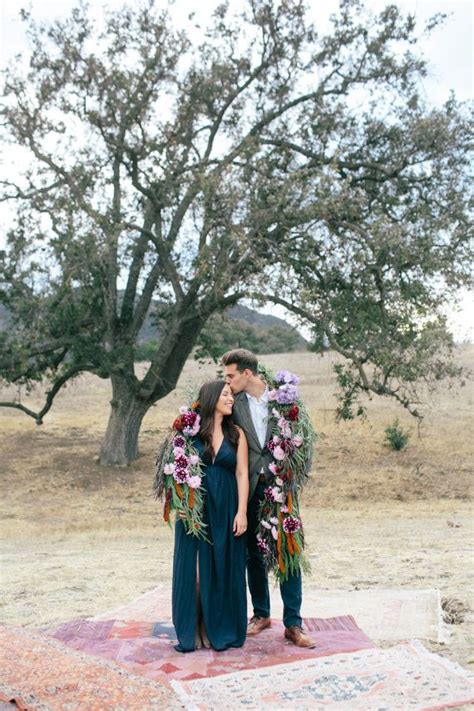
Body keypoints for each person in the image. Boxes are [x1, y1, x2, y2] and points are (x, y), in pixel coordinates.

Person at [222, 348, 315, 649]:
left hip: (281, 486)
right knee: (253, 553)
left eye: (231, 375)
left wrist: (291, 477)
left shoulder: (284, 399)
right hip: (248, 486)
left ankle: (294, 623)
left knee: (289, 552)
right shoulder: (232, 403)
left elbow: (304, 438)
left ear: (247, 374)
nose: (227, 380)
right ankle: (261, 614)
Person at [172, 380, 249, 652]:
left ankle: (217, 626)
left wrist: (242, 512)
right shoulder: (190, 433)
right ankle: (194, 626)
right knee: (194, 572)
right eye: (226, 395)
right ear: (212, 398)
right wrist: (179, 503)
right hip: (196, 507)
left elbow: (241, 473)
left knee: (223, 566)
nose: (231, 399)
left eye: (231, 395)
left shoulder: (237, 434)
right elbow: (174, 470)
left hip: (227, 505)